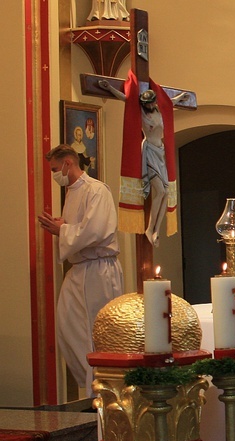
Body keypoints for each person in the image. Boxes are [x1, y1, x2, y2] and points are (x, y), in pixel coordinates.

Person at [37, 145, 124, 396]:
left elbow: (96, 230)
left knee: (96, 332)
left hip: (98, 269)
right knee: (68, 328)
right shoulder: (72, 193)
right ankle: (90, 388)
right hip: (80, 268)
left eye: (55, 169)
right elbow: (79, 228)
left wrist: (62, 230)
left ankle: (103, 393)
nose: (55, 175)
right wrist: (63, 226)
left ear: (67, 163)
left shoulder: (96, 190)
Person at [98, 77, 189, 247]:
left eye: (151, 103)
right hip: (149, 152)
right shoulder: (141, 112)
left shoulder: (160, 111)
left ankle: (155, 230)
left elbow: (169, 103)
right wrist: (110, 88)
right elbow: (126, 99)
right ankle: (150, 228)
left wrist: (181, 98)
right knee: (160, 191)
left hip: (160, 151)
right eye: (146, 103)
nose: (148, 106)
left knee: (166, 192)